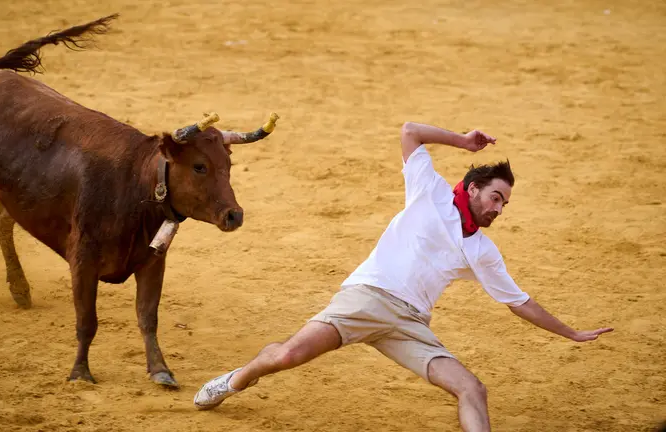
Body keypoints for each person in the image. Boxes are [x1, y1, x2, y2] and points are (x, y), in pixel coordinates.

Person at [193, 121, 614, 432]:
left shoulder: (482, 251)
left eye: (504, 204)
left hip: (410, 325)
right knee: (285, 357)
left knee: (472, 389)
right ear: (472, 188)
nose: (499, 209)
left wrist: (571, 333)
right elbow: (410, 131)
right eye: (495, 197)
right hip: (368, 298)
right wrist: (463, 141)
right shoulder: (427, 189)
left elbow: (519, 302)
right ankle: (234, 380)